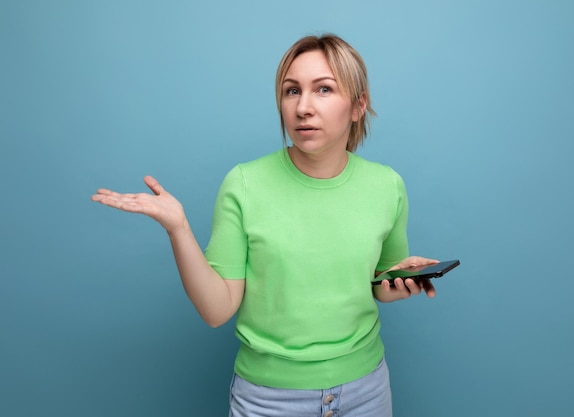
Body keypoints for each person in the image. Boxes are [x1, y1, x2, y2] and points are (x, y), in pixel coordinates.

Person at [91, 34, 439, 417]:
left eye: (323, 89)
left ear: (358, 106)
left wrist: (399, 281)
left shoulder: (387, 185)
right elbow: (216, 310)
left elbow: (378, 286)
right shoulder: (244, 184)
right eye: (292, 91)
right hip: (268, 400)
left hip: (366, 392)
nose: (303, 107)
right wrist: (178, 228)